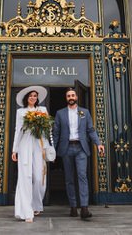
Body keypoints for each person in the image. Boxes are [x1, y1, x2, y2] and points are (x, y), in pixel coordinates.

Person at [53, 88, 103, 221]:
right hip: (66, 148)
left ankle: (84, 208)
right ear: (66, 98)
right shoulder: (60, 113)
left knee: (82, 176)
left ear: (76, 97)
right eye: (68, 95)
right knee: (69, 179)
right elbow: (56, 133)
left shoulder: (84, 112)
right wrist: (52, 149)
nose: (71, 97)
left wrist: (98, 143)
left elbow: (91, 130)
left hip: (81, 148)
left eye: (73, 95)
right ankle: (73, 207)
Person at [10, 86, 55, 222]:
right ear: (26, 98)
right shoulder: (21, 112)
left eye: (35, 95)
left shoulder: (42, 110)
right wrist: (15, 149)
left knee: (38, 177)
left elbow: (49, 129)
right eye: (30, 95)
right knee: (26, 176)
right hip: (25, 144)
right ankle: (26, 211)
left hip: (39, 144)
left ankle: (36, 204)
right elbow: (18, 130)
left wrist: (48, 147)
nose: (33, 97)